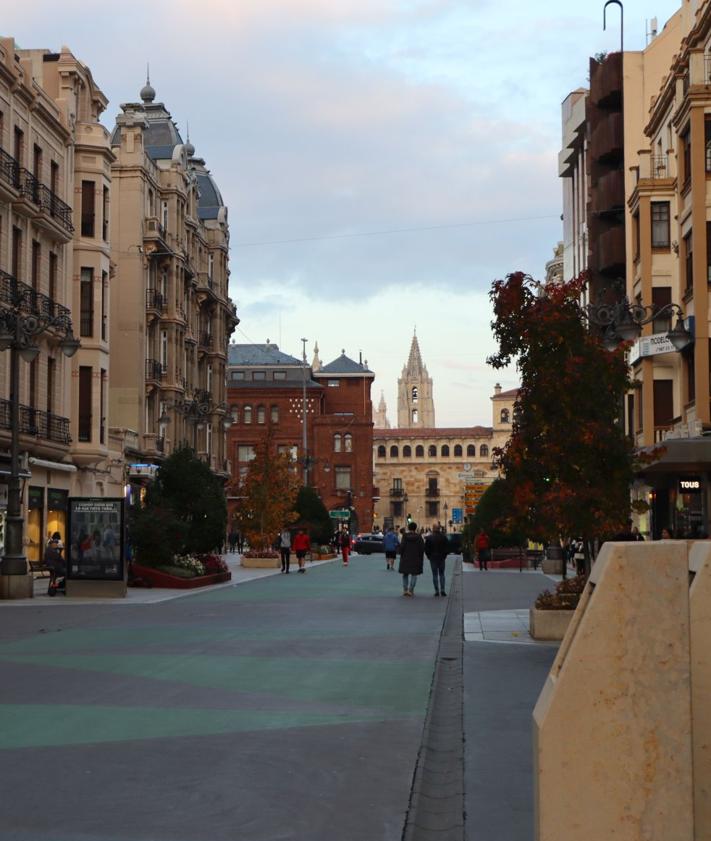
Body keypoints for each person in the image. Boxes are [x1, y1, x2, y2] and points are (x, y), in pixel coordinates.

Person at [399, 521, 425, 597]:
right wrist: (420, 557)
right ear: (415, 528)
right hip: (416, 558)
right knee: (414, 574)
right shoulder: (419, 537)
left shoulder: (405, 536)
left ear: (408, 528)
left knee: (405, 574)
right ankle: (411, 590)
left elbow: (402, 547)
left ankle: (405, 590)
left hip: (405, 558)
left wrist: (401, 553)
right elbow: (422, 548)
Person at [424, 524, 449, 596]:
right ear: (439, 529)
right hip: (441, 558)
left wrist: (429, 556)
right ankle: (443, 590)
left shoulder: (429, 538)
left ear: (433, 528)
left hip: (433, 558)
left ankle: (436, 591)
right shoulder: (443, 537)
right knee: (442, 574)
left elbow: (426, 549)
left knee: (434, 574)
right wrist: (444, 556)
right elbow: (447, 547)